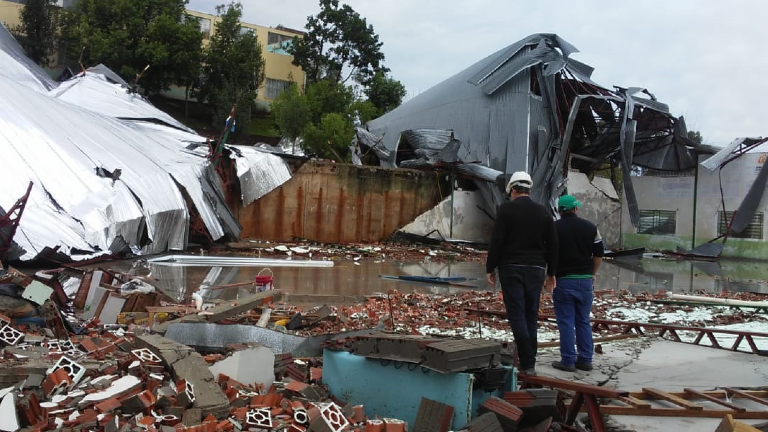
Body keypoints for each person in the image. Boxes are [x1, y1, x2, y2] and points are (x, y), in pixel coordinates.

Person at [486, 171, 558, 376]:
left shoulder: (506, 209)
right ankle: (529, 361)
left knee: (517, 314)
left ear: (512, 189)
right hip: (536, 269)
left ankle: (527, 362)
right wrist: (551, 272)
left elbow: (497, 240)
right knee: (530, 315)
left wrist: (490, 268)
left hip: (511, 267)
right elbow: (553, 244)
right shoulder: (543, 211)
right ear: (529, 189)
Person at [551, 195, 604, 372]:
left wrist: (549, 275)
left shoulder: (554, 228)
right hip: (585, 281)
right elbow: (598, 255)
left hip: (564, 281)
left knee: (566, 321)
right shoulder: (591, 228)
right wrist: (593, 274)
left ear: (560, 211)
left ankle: (568, 361)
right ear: (575, 209)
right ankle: (586, 360)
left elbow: (548, 255)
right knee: (583, 321)